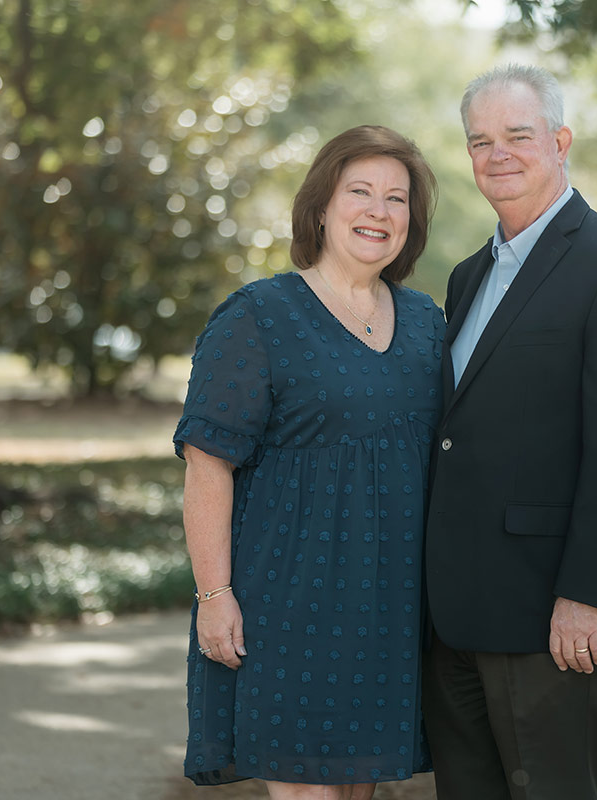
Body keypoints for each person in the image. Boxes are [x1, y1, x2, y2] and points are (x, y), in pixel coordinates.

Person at [422, 64, 597, 799]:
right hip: (458, 616)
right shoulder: (469, 275)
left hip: (553, 617)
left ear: (561, 141)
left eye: (517, 135)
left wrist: (588, 595)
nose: (496, 154)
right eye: (480, 141)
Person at [173, 125, 442, 799]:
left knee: (356, 791)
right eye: (360, 192)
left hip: (390, 611)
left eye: (396, 198)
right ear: (321, 207)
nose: (378, 211)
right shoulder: (257, 317)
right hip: (287, 608)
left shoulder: (428, 324)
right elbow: (208, 468)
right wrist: (214, 596)